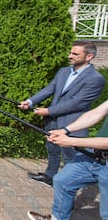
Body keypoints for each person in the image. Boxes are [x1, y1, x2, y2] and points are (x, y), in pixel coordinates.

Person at [19, 40, 105, 187]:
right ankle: (50, 176)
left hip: (72, 124)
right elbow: (49, 89)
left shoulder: (96, 79)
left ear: (89, 57)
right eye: (70, 52)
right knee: (52, 150)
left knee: (70, 157)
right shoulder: (64, 71)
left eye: (75, 54)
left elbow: (77, 103)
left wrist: (48, 110)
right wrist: (30, 102)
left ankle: (67, 186)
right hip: (52, 121)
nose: (70, 56)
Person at [27, 99, 108, 220]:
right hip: (94, 154)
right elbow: (97, 112)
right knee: (62, 181)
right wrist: (64, 130)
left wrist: (71, 141)